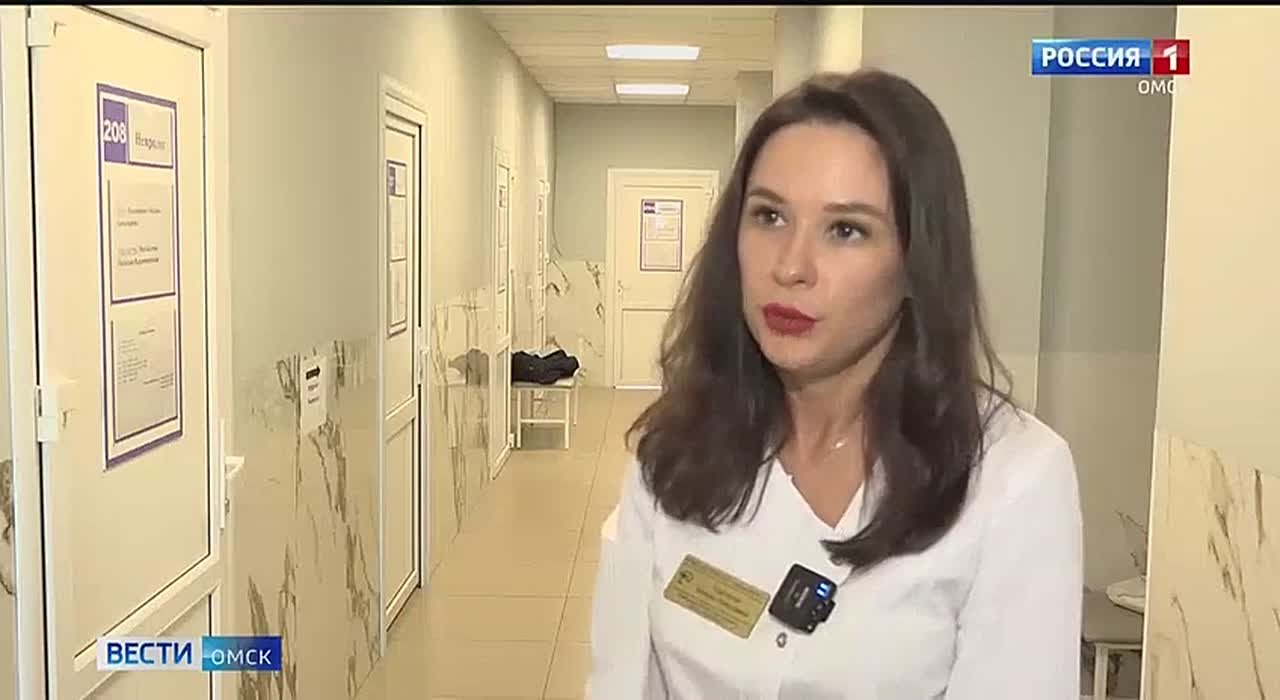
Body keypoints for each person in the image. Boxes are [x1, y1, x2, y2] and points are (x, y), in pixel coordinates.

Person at [587, 69, 1083, 699]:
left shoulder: (1014, 479)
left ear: (917, 263)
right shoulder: (675, 452)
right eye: (769, 216)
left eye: (846, 229)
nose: (791, 267)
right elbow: (621, 682)